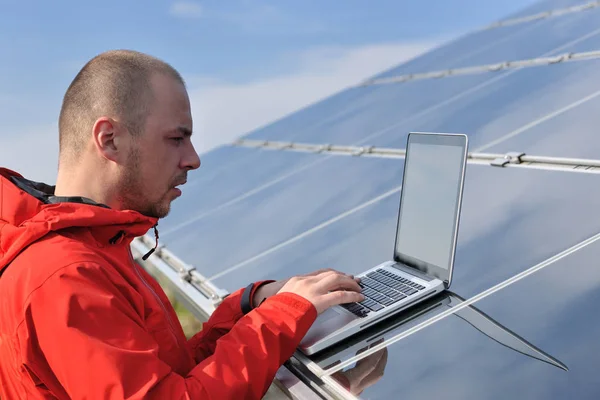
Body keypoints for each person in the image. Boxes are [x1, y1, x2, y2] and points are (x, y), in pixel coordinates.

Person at [0, 50, 365, 399]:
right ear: (109, 140)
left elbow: (172, 378)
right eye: (176, 138)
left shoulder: (98, 247)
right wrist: (282, 317)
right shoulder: (65, 277)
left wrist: (248, 307)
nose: (193, 160)